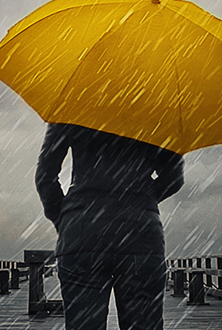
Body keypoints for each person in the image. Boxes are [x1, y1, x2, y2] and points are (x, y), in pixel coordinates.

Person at [36, 122, 185, 330]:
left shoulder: (70, 108)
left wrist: (66, 218)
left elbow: (45, 177)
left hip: (82, 232)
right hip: (139, 236)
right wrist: (140, 201)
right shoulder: (155, 112)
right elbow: (174, 178)